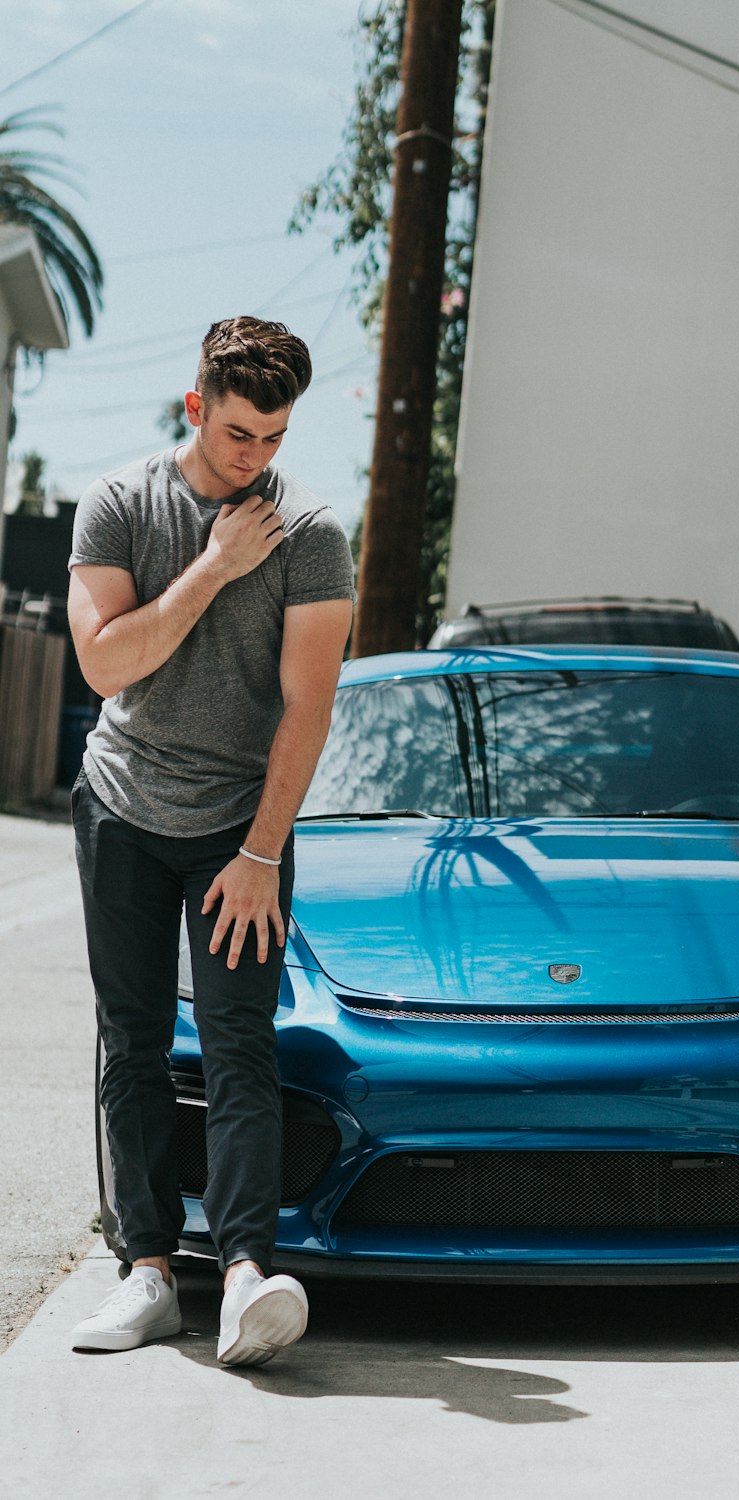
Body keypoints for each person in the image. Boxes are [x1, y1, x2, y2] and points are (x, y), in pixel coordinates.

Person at [66, 316, 355, 1364]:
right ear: (197, 406)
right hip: (123, 810)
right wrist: (214, 566)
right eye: (239, 435)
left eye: (273, 439)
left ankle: (241, 1276)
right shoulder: (119, 503)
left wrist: (264, 852)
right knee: (132, 1042)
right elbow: (104, 667)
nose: (256, 460)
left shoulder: (314, 532)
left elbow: (307, 708)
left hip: (242, 828)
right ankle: (148, 1274)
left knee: (241, 1044)